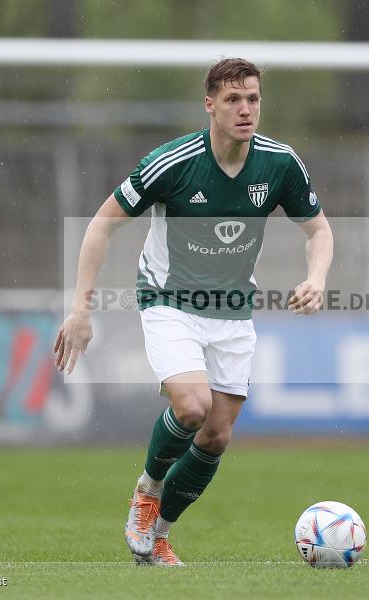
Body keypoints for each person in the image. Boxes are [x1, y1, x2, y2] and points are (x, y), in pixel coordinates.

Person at [53, 58, 333, 566]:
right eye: (233, 99)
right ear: (210, 105)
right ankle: (147, 489)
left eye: (253, 99)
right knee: (191, 406)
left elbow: (318, 229)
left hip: (233, 310)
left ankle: (158, 534)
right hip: (169, 300)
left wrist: (316, 279)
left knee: (217, 435)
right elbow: (100, 225)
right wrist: (80, 310)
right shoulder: (173, 162)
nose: (245, 109)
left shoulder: (279, 163)